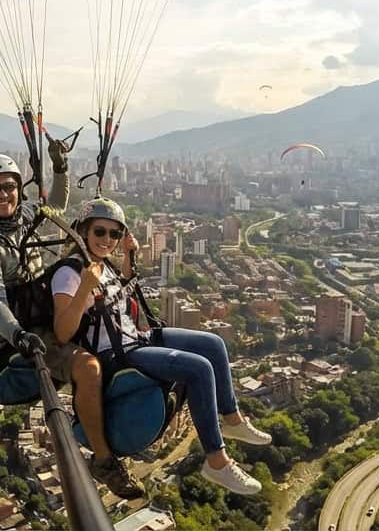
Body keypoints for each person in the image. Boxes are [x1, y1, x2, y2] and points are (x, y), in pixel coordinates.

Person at [52, 197, 272, 495]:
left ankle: (232, 418)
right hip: (116, 355)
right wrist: (84, 289)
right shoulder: (70, 273)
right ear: (83, 231)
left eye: (115, 234)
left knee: (213, 344)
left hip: (136, 337)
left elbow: (118, 302)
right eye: (100, 232)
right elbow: (63, 332)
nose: (108, 239)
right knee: (198, 368)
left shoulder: (102, 266)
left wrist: (128, 260)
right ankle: (217, 462)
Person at [0, 147, 142, 499]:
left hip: (49, 308)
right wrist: (18, 335)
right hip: (30, 329)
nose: (3, 195)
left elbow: (55, 205)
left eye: (9, 186)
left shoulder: (25, 216)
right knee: (88, 367)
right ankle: (104, 460)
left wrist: (60, 168)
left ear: (19, 187)